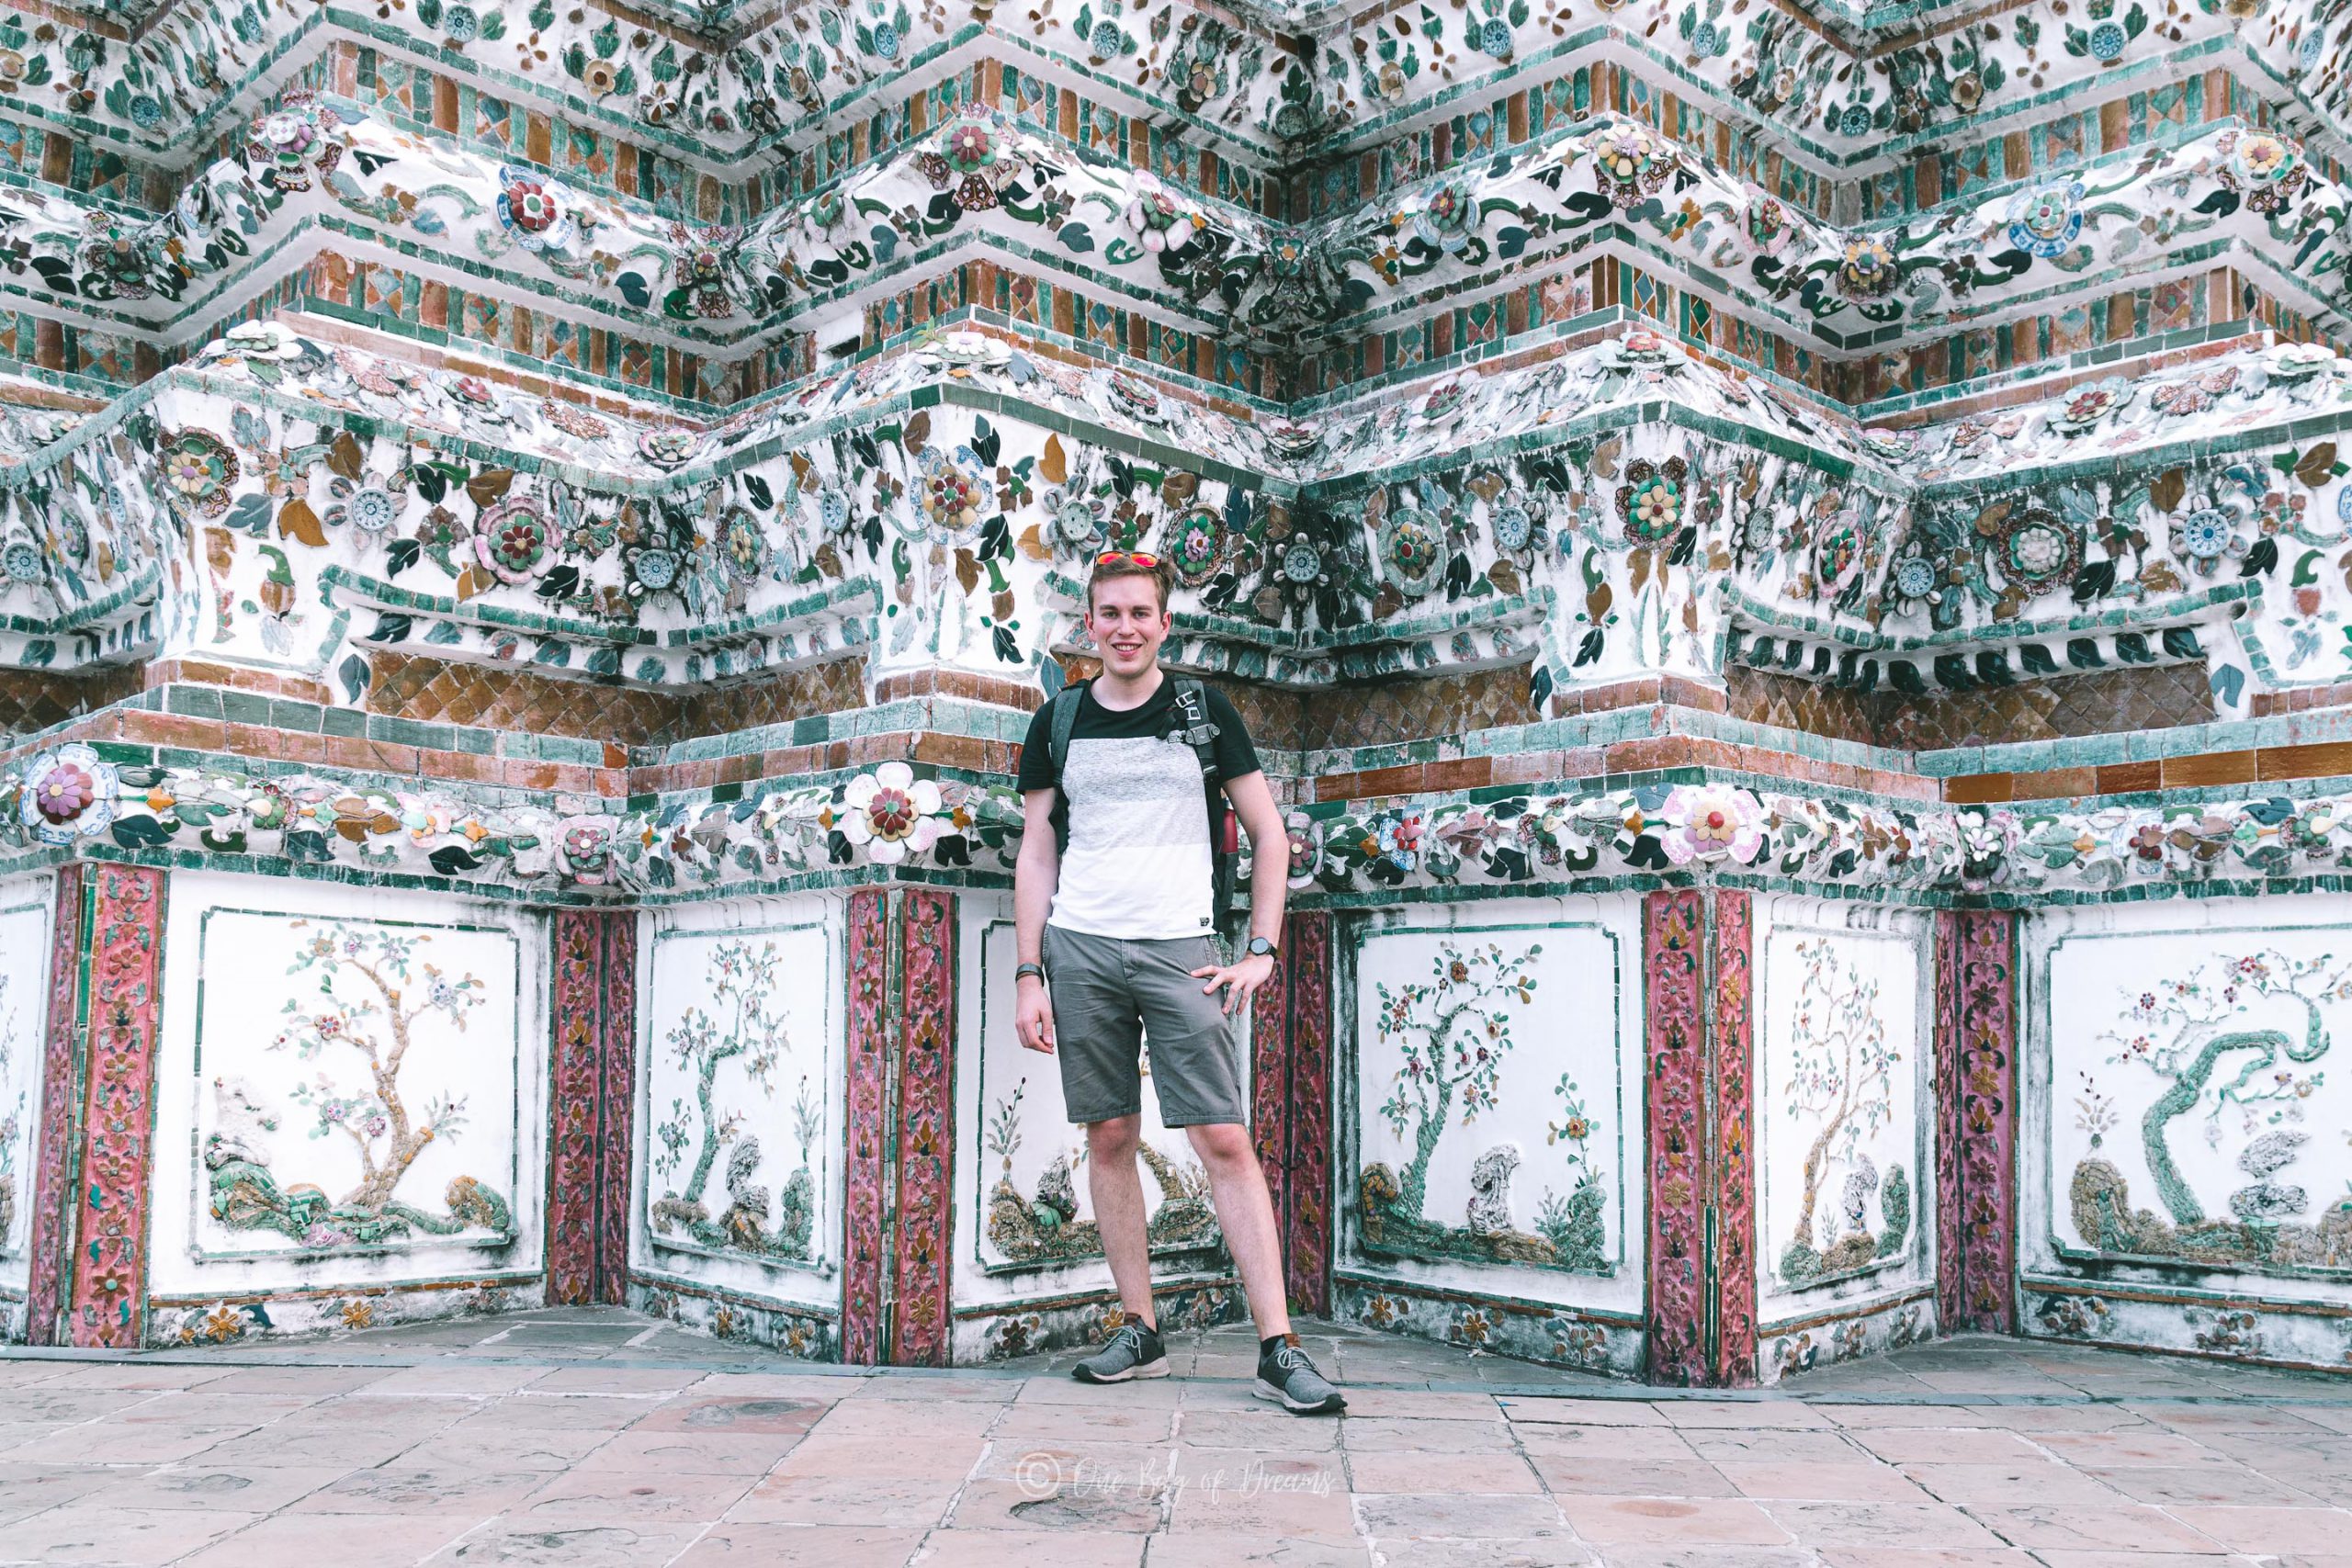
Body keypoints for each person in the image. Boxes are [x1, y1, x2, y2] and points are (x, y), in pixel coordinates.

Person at [1011, 549, 1345, 1416]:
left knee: (1224, 1140)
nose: (1125, 627)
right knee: (1110, 1135)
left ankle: (1278, 1345)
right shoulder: (1059, 720)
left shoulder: (1203, 710)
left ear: (1165, 624)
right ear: (1090, 626)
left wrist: (1261, 950)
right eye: (1109, 613)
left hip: (1182, 949)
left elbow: (1269, 834)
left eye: (1140, 614)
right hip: (1082, 947)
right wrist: (1029, 970)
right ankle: (1139, 1328)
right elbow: (1039, 849)